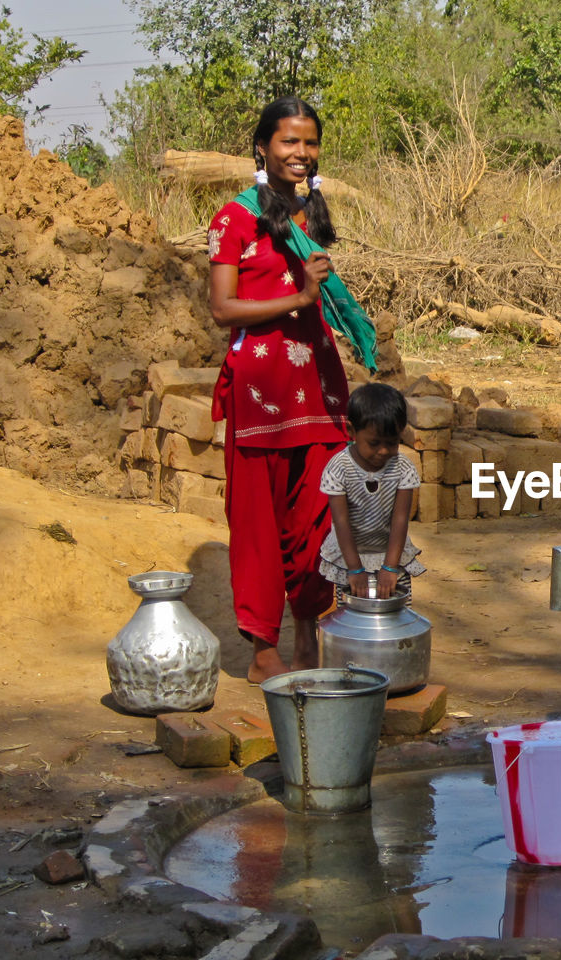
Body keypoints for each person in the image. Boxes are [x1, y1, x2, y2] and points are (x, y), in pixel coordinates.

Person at [208, 97, 374, 684]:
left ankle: (309, 633)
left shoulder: (309, 216)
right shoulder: (234, 217)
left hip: (318, 388)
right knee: (256, 522)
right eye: (288, 143)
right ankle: (261, 649)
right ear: (262, 148)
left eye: (309, 143)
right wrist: (301, 298)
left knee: (317, 521)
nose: (300, 155)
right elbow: (223, 308)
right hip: (260, 393)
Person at [319, 383, 426, 600]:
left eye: (392, 442)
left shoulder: (402, 468)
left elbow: (400, 520)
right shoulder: (338, 468)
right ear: (351, 431)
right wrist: (354, 568)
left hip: (392, 553)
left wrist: (390, 567)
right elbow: (341, 522)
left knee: (396, 615)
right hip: (350, 555)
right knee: (352, 618)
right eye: (374, 443)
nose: (384, 451)